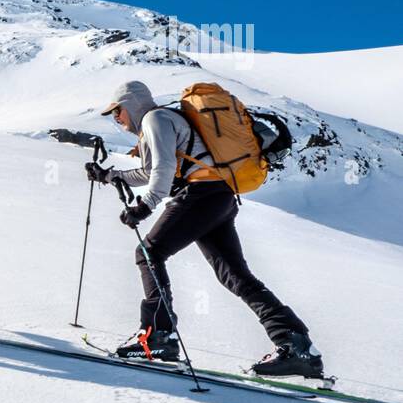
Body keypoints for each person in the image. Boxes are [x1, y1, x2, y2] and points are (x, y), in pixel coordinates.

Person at [87, 80, 325, 381]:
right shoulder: (160, 122)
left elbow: (160, 170)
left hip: (200, 195)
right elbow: (149, 171)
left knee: (149, 252)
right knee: (236, 276)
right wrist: (110, 175)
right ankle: (296, 346)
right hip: (219, 197)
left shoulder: (154, 119)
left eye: (117, 111)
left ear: (131, 104)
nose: (116, 119)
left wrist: (145, 206)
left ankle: (158, 337)